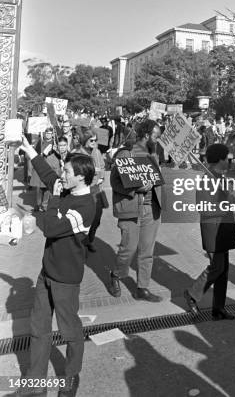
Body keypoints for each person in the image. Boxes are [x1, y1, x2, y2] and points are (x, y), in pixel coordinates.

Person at [18, 137, 96, 397]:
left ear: (81, 178)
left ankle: (70, 381)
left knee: (70, 332)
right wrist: (28, 149)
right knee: (39, 329)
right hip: (46, 273)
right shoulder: (65, 187)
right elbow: (47, 172)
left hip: (65, 280)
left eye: (67, 172)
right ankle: (35, 383)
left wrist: (52, 199)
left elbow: (49, 227)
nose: (62, 174)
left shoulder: (85, 207)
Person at [108, 119, 162, 302]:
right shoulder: (126, 153)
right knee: (128, 249)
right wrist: (136, 189)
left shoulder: (154, 153)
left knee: (147, 251)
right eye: (156, 136)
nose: (158, 139)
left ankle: (142, 288)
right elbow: (114, 182)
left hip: (151, 209)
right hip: (131, 208)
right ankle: (116, 275)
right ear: (146, 135)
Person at [184, 144, 235, 320]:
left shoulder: (219, 177)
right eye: (227, 158)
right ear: (220, 160)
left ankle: (219, 307)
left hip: (224, 228)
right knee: (217, 267)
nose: (229, 161)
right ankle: (193, 294)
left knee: (224, 269)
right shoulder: (206, 180)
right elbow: (203, 208)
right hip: (213, 229)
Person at [79, 130, 107, 252]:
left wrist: (101, 176)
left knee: (96, 218)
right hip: (84, 190)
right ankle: (80, 243)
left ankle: (90, 240)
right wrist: (91, 171)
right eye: (91, 140)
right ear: (85, 140)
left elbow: (102, 166)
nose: (94, 142)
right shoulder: (78, 153)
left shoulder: (97, 151)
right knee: (84, 219)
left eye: (96, 140)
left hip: (96, 189)